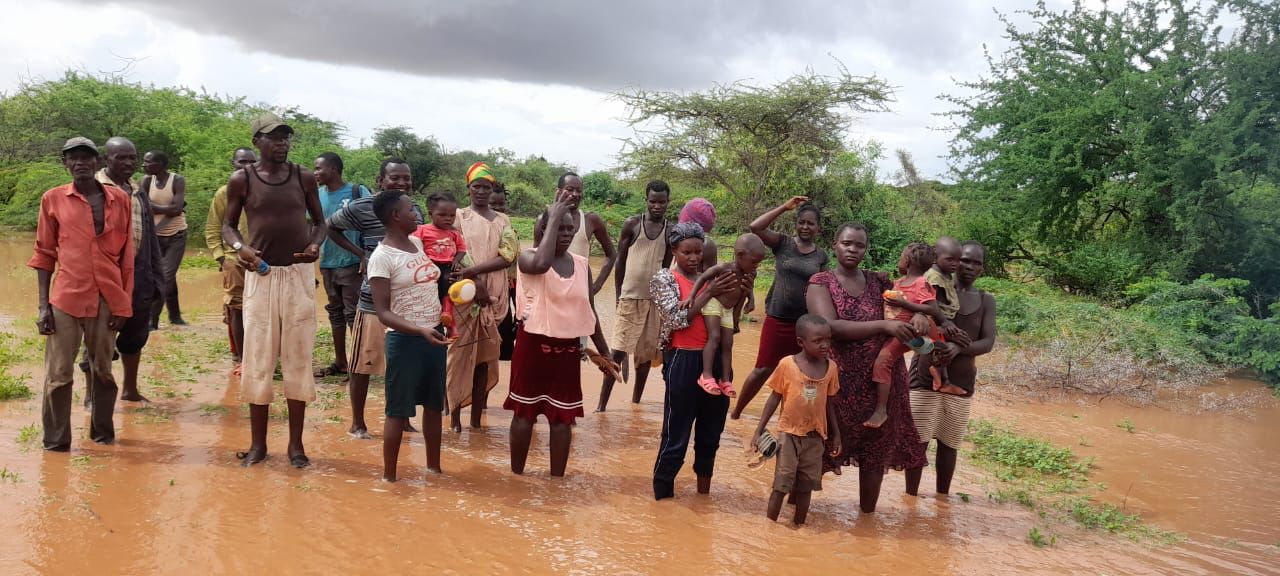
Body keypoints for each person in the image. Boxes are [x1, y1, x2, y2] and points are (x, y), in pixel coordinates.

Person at [222, 112, 327, 468]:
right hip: (262, 278)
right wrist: (241, 250)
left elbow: (320, 223)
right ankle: (258, 446)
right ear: (258, 142)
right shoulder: (242, 180)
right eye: (274, 137)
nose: (281, 143)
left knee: (298, 358)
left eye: (285, 137)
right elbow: (228, 228)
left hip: (298, 275)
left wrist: (315, 245)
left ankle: (296, 446)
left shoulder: (304, 177)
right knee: (258, 360)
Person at [806, 223, 927, 513]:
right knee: (818, 450)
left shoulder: (880, 284)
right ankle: (796, 520)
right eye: (847, 243)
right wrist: (884, 325)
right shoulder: (820, 282)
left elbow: (909, 307)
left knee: (875, 454)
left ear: (865, 249)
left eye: (859, 245)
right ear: (835, 244)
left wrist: (923, 317)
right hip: (838, 384)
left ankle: (867, 522)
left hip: (882, 386)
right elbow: (829, 326)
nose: (852, 249)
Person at [29, 137, 133, 451]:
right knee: (59, 375)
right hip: (65, 298)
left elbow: (128, 256)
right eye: (73, 159)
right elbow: (44, 254)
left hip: (107, 297)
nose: (80, 164)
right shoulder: (53, 199)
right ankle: (56, 442)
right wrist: (43, 306)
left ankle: (102, 435)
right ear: (65, 163)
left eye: (86, 158)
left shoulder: (119, 199)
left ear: (97, 162)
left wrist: (123, 303)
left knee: (103, 371)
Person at [504, 190, 617, 477]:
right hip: (533, 347)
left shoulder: (580, 265)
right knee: (524, 413)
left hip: (567, 351)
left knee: (562, 417)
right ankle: (517, 476)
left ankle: (557, 481)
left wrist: (604, 352)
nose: (565, 233)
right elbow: (542, 264)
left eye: (570, 228)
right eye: (558, 227)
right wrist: (552, 217)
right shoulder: (528, 258)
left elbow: (588, 312)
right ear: (542, 229)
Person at [326, 158, 424, 439]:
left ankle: (402, 419)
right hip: (372, 301)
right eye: (395, 178)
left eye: (406, 178)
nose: (402, 183)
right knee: (362, 364)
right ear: (380, 180)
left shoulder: (413, 209)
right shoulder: (362, 207)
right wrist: (361, 255)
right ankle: (357, 422)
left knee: (404, 365)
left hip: (407, 301)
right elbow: (332, 227)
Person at [650, 222, 741, 500]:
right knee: (675, 435)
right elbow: (677, 320)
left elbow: (730, 323)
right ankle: (663, 498)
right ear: (674, 251)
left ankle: (704, 497)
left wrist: (739, 292)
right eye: (686, 252)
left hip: (715, 365)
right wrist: (709, 294)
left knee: (711, 435)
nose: (693, 258)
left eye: (698, 252)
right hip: (684, 360)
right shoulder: (664, 279)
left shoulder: (711, 279)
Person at [367, 190, 452, 482]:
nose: (416, 213)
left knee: (432, 405)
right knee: (397, 410)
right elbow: (383, 312)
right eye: (410, 209)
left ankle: (434, 469)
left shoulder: (416, 243)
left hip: (433, 335)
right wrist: (419, 330)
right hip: (405, 341)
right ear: (395, 216)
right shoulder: (381, 258)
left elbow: (428, 285)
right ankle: (390, 478)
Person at [905, 241, 997, 497]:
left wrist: (958, 349)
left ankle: (941, 501)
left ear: (982, 268)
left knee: (949, 444)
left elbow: (988, 342)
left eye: (976, 262)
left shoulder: (985, 300)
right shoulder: (932, 290)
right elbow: (911, 330)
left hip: (961, 382)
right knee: (918, 443)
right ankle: (910, 499)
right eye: (965, 260)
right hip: (924, 378)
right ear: (953, 261)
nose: (969, 266)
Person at [731, 196, 828, 419]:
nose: (805, 226)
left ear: (818, 228)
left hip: (804, 326)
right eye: (801, 221)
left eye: (810, 223)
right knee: (762, 369)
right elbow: (756, 227)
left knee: (799, 374)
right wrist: (785, 207)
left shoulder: (820, 256)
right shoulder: (783, 243)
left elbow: (823, 285)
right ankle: (736, 414)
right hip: (777, 318)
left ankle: (788, 423)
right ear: (796, 223)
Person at [87, 136, 161, 403]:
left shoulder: (137, 189)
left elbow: (150, 234)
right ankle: (92, 395)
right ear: (107, 159)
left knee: (136, 332)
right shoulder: (93, 188)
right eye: (121, 157)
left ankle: (130, 390)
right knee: (97, 336)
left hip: (138, 270)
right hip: (104, 273)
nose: (128, 163)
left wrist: (155, 277)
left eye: (132, 157)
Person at [751, 314, 841, 525]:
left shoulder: (831, 368)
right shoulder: (787, 365)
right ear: (801, 342)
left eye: (827, 340)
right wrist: (759, 429)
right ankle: (769, 527)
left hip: (815, 436)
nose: (824, 345)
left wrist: (836, 434)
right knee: (781, 485)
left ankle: (798, 526)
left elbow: (829, 404)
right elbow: (774, 398)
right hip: (789, 434)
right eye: (817, 341)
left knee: (806, 487)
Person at [447, 162, 518, 433]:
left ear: (492, 190)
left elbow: (507, 255)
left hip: (494, 299)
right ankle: (454, 417)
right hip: (465, 296)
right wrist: (475, 283)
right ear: (468, 188)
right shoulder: (458, 217)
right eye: (476, 186)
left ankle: (476, 420)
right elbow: (456, 252)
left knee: (485, 360)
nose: (481, 191)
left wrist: (475, 273)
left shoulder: (503, 220)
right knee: (459, 356)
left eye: (486, 187)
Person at [596, 180, 671, 411]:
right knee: (617, 352)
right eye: (653, 201)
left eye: (662, 202)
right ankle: (601, 406)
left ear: (668, 203)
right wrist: (619, 296)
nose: (657, 206)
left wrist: (664, 301)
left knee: (645, 357)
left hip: (654, 301)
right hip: (630, 298)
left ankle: (636, 403)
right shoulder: (632, 225)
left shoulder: (670, 230)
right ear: (646, 200)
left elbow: (666, 269)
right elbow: (620, 261)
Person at [870, 242, 955, 426]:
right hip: (899, 332)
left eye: (900, 257)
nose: (898, 261)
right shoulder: (899, 283)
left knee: (882, 361)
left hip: (907, 331)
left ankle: (881, 410)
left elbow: (931, 307)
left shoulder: (920, 283)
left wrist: (906, 304)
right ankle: (937, 359)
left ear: (907, 262)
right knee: (928, 348)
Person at [681, 233, 767, 397]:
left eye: (759, 262)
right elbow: (703, 278)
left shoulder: (750, 272)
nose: (757, 266)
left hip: (728, 310)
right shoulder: (724, 268)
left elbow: (749, 289)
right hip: (714, 304)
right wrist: (691, 296)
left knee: (728, 343)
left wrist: (751, 301)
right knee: (714, 337)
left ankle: (725, 380)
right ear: (740, 256)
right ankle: (706, 375)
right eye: (754, 262)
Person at [314, 151, 369, 378]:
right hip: (327, 263)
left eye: (319, 168)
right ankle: (341, 362)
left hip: (352, 262)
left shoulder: (358, 192)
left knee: (352, 314)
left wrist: (367, 256)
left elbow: (373, 221)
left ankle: (358, 365)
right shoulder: (316, 195)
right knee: (334, 312)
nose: (315, 172)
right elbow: (313, 227)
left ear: (334, 169)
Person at [204, 147, 258, 370]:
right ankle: (242, 358)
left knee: (261, 310)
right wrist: (221, 259)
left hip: (262, 260)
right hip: (233, 259)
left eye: (251, 162)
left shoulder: (265, 190)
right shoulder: (224, 193)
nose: (246, 166)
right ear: (232, 164)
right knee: (236, 309)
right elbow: (213, 228)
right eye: (241, 162)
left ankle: (261, 356)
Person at [534, 172, 616, 294]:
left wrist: (596, 286)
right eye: (570, 189)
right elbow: (535, 257)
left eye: (579, 190)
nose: (575, 194)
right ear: (559, 191)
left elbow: (611, 254)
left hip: (580, 291)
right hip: (550, 291)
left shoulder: (591, 220)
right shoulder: (544, 221)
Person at [141, 150, 188, 329]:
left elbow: (176, 210)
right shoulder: (146, 181)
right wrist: (167, 208)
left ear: (160, 164)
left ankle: (152, 321)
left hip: (177, 235)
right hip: (155, 237)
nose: (144, 165)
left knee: (165, 277)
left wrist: (154, 207)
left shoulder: (177, 180)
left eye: (148, 162)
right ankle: (175, 316)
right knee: (167, 276)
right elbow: (142, 206)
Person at [412, 192, 468, 331]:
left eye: (452, 215)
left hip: (448, 266)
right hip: (429, 266)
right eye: (442, 215)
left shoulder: (454, 233)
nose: (448, 219)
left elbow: (462, 249)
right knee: (431, 290)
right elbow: (414, 247)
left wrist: (456, 260)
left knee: (447, 282)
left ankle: (448, 313)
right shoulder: (422, 230)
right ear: (430, 214)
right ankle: (440, 321)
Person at [489, 184, 518, 361]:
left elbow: (513, 254)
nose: (499, 208)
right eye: (494, 205)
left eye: (502, 204)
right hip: (492, 281)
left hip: (511, 280)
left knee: (516, 318)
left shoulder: (506, 221)